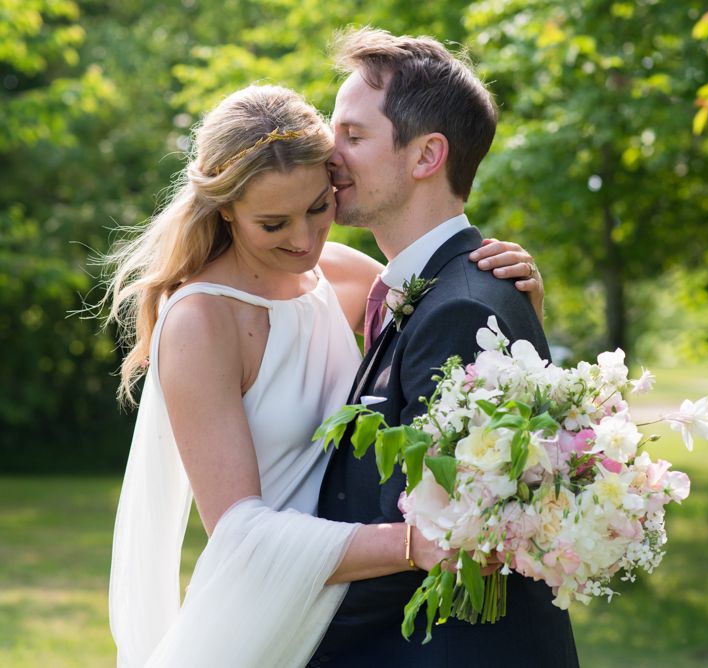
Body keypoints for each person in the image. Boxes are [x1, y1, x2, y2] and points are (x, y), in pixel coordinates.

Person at [105, 83, 545, 667]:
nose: (305, 240)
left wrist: (516, 306)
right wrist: (414, 543)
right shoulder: (201, 321)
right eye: (273, 223)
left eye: (319, 207)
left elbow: (447, 340)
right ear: (225, 209)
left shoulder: (343, 277)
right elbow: (237, 533)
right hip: (268, 611)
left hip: (362, 615)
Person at [311, 28, 580, 667]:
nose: (329, 156)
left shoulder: (459, 306)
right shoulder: (434, 288)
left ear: (427, 154)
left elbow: (435, 537)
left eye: (353, 136)